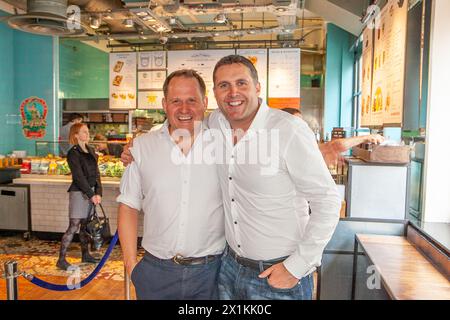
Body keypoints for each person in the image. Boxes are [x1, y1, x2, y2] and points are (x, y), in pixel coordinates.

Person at [207, 55, 341, 300]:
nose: (233, 92)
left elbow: (328, 201)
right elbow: (180, 126)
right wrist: (137, 150)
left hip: (278, 274)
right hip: (229, 269)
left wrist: (296, 266)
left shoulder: (288, 130)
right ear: (215, 92)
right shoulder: (215, 123)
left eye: (241, 83)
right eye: (223, 85)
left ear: (258, 87)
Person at [117, 69, 225, 300]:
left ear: (205, 103)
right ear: (165, 104)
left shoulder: (225, 145)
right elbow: (128, 206)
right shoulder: (142, 148)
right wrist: (131, 266)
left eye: (192, 100)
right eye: (176, 101)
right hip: (156, 273)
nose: (184, 109)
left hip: (211, 274)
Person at [56, 123, 102, 270]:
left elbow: (97, 174)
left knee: (85, 226)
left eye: (88, 131)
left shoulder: (92, 151)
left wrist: (98, 193)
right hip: (78, 193)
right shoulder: (73, 153)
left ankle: (85, 254)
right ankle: (61, 259)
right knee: (74, 225)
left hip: (91, 193)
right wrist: (91, 194)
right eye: (83, 131)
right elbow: (78, 177)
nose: (87, 134)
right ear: (76, 134)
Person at [281, 108, 385, 166]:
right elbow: (336, 145)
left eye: (302, 123)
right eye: (297, 123)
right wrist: (367, 137)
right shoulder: (288, 145)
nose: (302, 126)